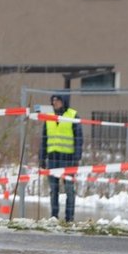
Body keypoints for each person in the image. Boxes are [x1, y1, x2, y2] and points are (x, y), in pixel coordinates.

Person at [38, 92, 83, 222]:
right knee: (54, 189)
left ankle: (69, 218)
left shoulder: (73, 115)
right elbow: (44, 139)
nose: (54, 103)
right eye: (53, 101)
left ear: (63, 102)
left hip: (68, 158)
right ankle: (54, 217)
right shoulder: (49, 116)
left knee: (69, 189)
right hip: (52, 158)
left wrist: (77, 158)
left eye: (57, 100)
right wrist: (42, 157)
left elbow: (78, 139)